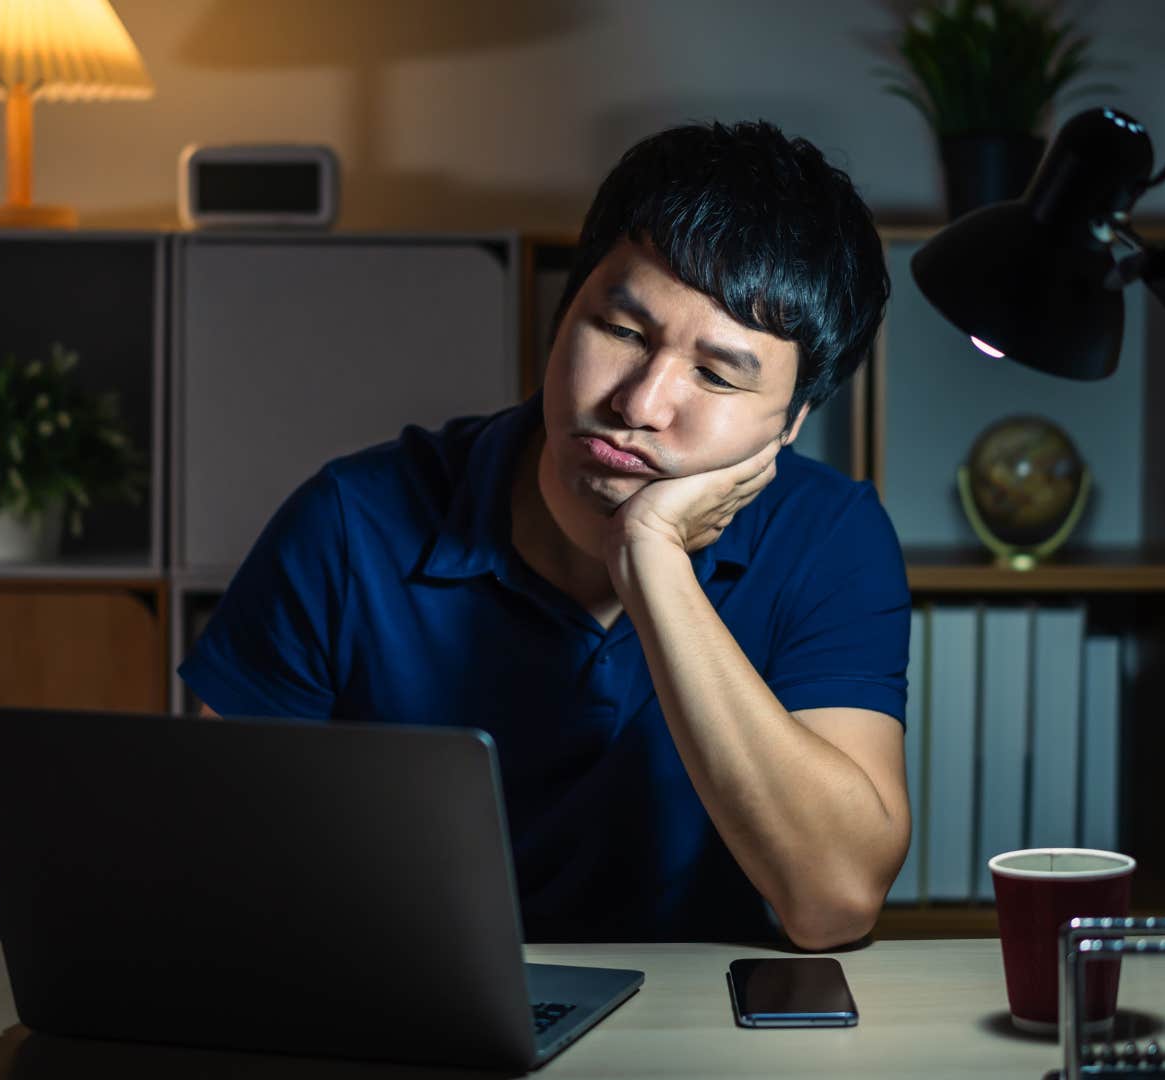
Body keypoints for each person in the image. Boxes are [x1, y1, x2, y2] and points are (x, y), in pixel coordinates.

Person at [180, 119, 909, 951]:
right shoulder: (352, 520)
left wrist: (651, 561)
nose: (640, 403)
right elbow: (221, 866)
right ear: (563, 314)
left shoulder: (828, 535)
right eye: (622, 332)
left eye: (713, 374)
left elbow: (836, 900)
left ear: (791, 423)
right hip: (397, 1004)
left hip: (693, 1030)